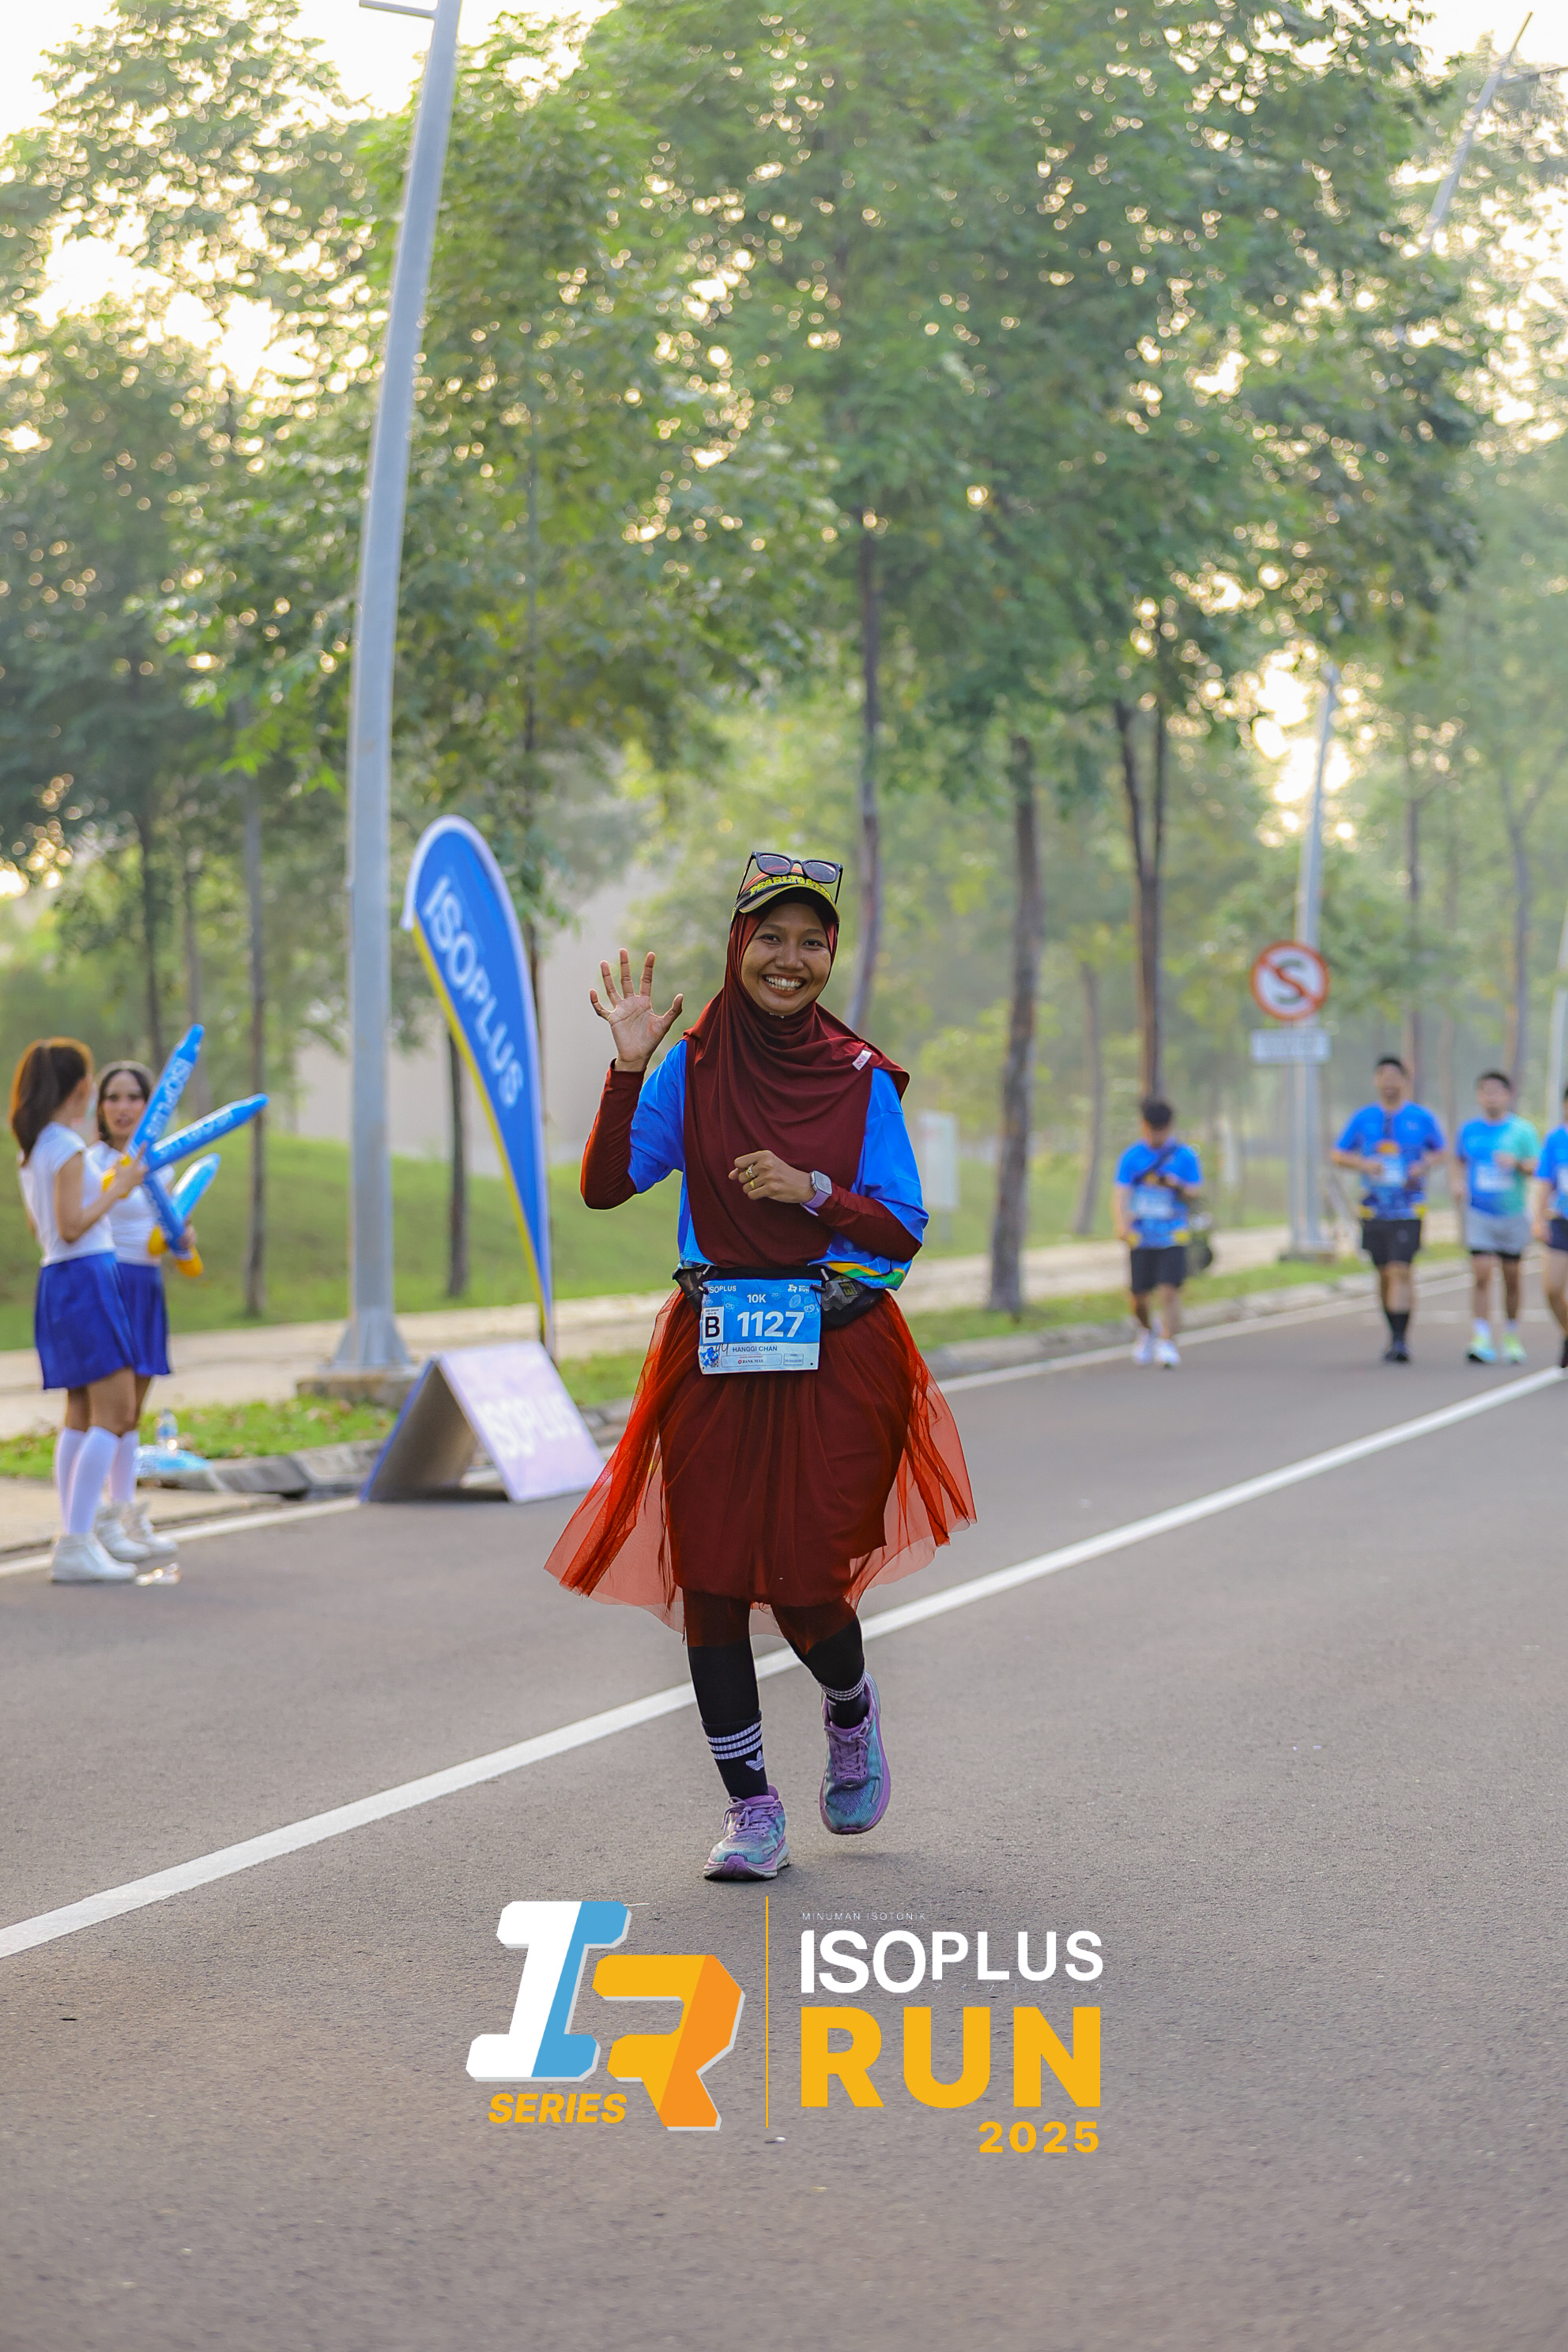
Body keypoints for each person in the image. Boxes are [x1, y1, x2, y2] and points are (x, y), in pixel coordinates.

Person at [542, 853, 975, 1882]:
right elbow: (605, 1186)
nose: (791, 959)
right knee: (713, 1580)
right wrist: (627, 1069)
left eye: (812, 941)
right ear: (740, 946)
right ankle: (752, 1810)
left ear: (832, 955)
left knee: (808, 1583)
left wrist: (811, 1189)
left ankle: (849, 1704)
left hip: (838, 1352)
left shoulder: (860, 1077)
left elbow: (902, 1228)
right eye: (771, 938)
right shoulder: (691, 1068)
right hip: (717, 1348)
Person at [10, 1038, 149, 1585]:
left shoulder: (35, 1147)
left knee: (81, 1414)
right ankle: (76, 1539)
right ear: (81, 1087)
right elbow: (71, 1226)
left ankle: (77, 1534)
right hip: (85, 1276)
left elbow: (43, 1228)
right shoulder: (66, 1145)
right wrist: (120, 1189)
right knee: (116, 1413)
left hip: (60, 1278)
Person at [85, 1061, 184, 1574]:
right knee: (111, 1414)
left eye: (133, 1097)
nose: (123, 1107)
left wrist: (183, 1238)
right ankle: (95, 1520)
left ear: (150, 1105)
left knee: (133, 1415)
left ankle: (124, 1515)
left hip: (148, 1287)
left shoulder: (162, 1165)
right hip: (110, 1285)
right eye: (113, 1097)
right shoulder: (93, 1163)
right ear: (100, 1107)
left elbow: (172, 1236)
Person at [1331, 1054, 1446, 1363]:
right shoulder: (1363, 1118)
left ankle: (1400, 1339)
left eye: (1396, 1078)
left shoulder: (1421, 1117)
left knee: (1401, 1269)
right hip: (1373, 1209)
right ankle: (1391, 1331)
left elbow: (1442, 1151)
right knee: (1383, 1272)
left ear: (1405, 1081)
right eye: (1384, 1078)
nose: (1390, 1084)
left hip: (1409, 1208)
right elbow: (1338, 1154)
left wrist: (1423, 1165)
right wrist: (1364, 1164)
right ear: (1376, 1081)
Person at [1453, 1070, 1538, 1364]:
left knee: (1512, 1278)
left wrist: (1516, 1164)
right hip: (1479, 1213)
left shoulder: (1522, 1130)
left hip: (1512, 1213)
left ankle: (1512, 1335)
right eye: (1485, 1092)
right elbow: (1458, 1160)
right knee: (1481, 1274)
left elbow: (1536, 1167)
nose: (1491, 1098)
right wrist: (1457, 1183)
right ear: (1479, 1096)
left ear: (1507, 1095)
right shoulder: (1469, 1130)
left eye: (1496, 1092)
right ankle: (1481, 1337)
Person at [1114, 1098, 1203, 1369]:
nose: (1157, 1135)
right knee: (1138, 1296)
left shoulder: (1184, 1156)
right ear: (1143, 1126)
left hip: (1173, 1235)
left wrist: (1175, 1185)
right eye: (1152, 1129)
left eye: (1161, 1129)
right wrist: (1121, 1224)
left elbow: (1195, 1192)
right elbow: (1120, 1193)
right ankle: (1147, 1330)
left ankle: (1168, 1342)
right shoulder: (1131, 1157)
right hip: (1141, 1236)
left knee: (1169, 1290)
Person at [1529, 1085, 1568, 1370]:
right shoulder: (1555, 1139)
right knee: (1552, 1289)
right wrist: (1538, 1218)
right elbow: (1544, 1182)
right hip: (1561, 1222)